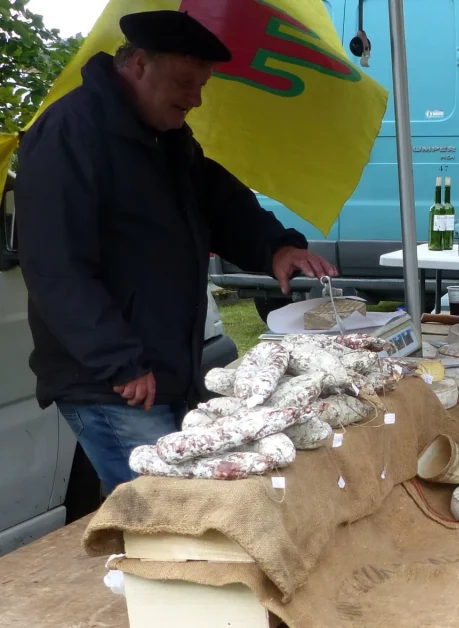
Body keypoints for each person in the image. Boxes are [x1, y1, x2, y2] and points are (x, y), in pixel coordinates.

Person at [15, 10, 337, 492]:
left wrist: (275, 248)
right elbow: (55, 267)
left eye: (203, 84)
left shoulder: (166, 137)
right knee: (171, 511)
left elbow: (221, 203)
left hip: (163, 369)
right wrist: (119, 360)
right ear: (139, 63)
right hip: (111, 382)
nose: (195, 99)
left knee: (176, 514)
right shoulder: (69, 133)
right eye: (185, 81)